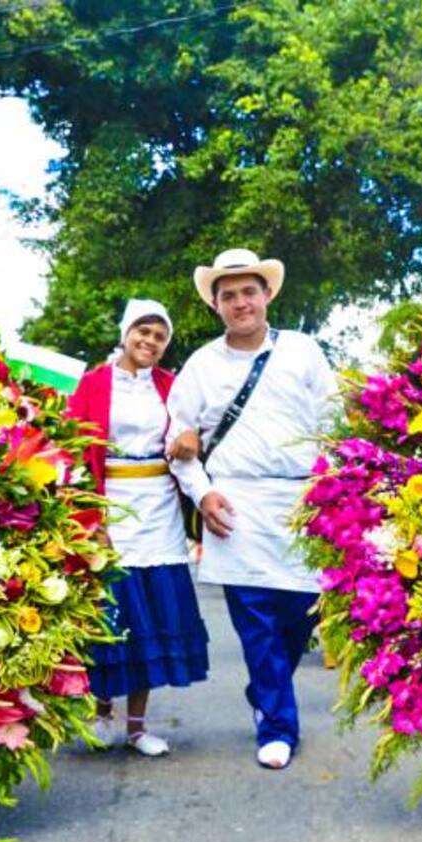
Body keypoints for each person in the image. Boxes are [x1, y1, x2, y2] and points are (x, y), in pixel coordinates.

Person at [167, 248, 335, 770]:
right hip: (235, 505)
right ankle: (279, 725)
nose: (241, 303)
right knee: (256, 620)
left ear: (267, 296)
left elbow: (334, 420)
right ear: (216, 305)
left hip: (302, 502)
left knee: (300, 615)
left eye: (249, 292)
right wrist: (203, 493)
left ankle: (267, 688)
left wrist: (335, 487)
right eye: (229, 295)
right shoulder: (201, 365)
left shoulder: (304, 351)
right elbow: (178, 437)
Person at [66, 299, 210, 756]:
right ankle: (102, 713)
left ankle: (137, 727)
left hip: (160, 511)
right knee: (112, 618)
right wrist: (92, 519)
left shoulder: (172, 385)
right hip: (112, 506)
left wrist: (194, 440)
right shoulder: (92, 385)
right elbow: (73, 451)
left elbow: (194, 431)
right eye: (142, 332)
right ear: (126, 333)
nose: (149, 342)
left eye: (159, 336)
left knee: (151, 618)